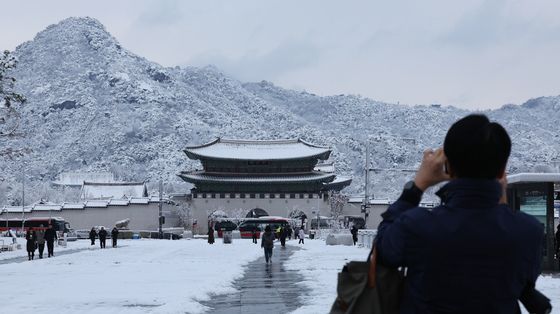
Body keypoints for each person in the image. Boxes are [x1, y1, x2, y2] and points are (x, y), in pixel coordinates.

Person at [375, 114, 545, 313]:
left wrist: (417, 186)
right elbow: (524, 279)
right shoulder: (529, 232)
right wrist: (501, 202)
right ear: (502, 171)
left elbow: (382, 250)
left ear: (448, 166)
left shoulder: (417, 225)